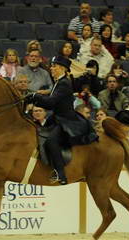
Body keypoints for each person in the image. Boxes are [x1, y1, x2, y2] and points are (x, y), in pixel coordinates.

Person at [29, 56, 99, 185]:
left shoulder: (64, 83)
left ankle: (61, 174)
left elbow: (51, 102)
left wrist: (35, 96)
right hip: (58, 117)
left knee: (51, 141)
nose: (51, 68)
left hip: (66, 120)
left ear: (62, 68)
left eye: (54, 66)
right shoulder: (58, 82)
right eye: (52, 66)